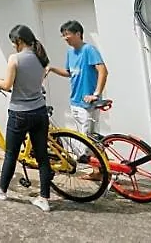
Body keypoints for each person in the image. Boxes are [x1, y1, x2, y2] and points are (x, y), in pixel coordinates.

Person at [0, 24, 53, 212]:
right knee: (42, 156)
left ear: (19, 41)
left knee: (11, 153)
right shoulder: (41, 58)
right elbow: (39, 80)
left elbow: (6, 85)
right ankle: (44, 199)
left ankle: (2, 191)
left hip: (19, 113)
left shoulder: (15, 59)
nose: (13, 46)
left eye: (13, 42)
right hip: (39, 112)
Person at [45, 20, 108, 173]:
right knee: (90, 139)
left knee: (87, 141)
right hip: (75, 101)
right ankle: (99, 172)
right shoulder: (70, 53)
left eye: (67, 34)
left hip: (88, 103)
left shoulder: (89, 50)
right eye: (63, 35)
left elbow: (103, 71)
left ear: (78, 34)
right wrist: (52, 69)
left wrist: (96, 94)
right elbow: (69, 73)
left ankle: (102, 170)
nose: (65, 38)